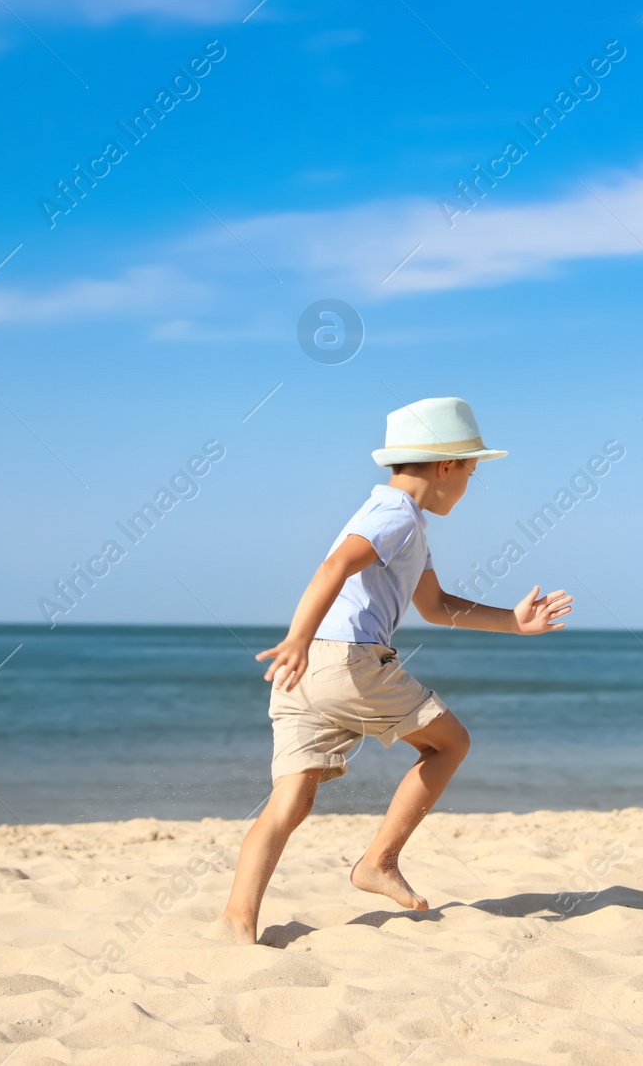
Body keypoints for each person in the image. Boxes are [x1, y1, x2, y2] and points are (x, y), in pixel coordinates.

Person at [214, 397, 573, 944]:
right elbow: (336, 565)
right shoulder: (396, 516)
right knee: (449, 744)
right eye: (471, 472)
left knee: (292, 799)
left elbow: (434, 606)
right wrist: (298, 637)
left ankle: (238, 921)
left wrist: (514, 623)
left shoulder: (400, 521)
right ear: (446, 466)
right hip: (346, 660)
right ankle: (378, 861)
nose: (471, 485)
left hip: (306, 674)